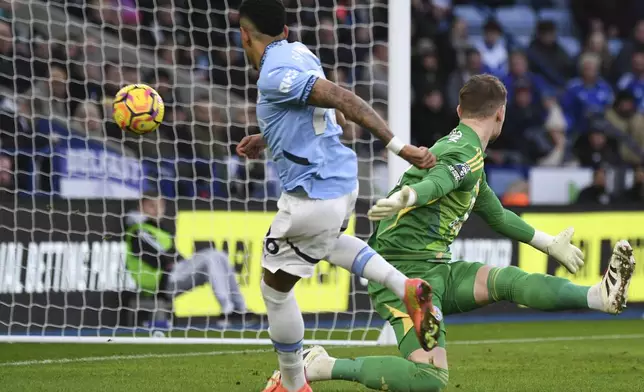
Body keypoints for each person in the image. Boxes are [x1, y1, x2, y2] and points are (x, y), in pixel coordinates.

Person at [266, 75, 636, 392]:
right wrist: (409, 196)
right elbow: (440, 182)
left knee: (506, 280)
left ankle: (597, 296)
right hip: (403, 274)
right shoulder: (464, 154)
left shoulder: (467, 150)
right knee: (430, 378)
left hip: (437, 267)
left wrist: (547, 243)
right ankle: (322, 365)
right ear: (500, 115)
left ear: (459, 111)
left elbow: (496, 215)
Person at [233, 2, 439, 392]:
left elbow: (345, 101)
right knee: (326, 243)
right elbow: (330, 117)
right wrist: (268, 137)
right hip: (342, 185)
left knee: (274, 291)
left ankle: (293, 384)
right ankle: (405, 287)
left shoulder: (273, 73)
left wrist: (400, 148)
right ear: (285, 28)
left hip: (312, 194)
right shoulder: (300, 52)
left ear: (244, 34)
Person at [124, 190, 259, 327]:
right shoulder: (139, 229)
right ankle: (227, 309)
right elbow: (159, 258)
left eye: (160, 205)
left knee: (219, 255)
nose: (157, 210)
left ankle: (239, 308)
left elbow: (171, 255)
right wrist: (177, 263)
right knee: (211, 256)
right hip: (158, 281)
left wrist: (178, 262)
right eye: (152, 206)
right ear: (141, 207)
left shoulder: (157, 228)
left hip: (170, 276)